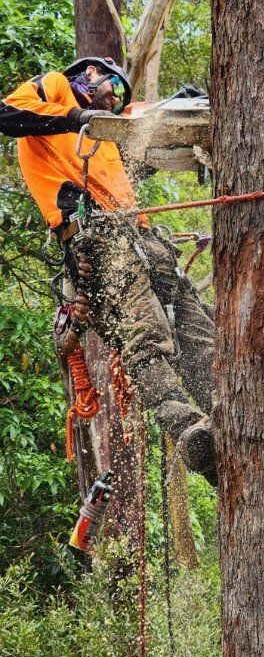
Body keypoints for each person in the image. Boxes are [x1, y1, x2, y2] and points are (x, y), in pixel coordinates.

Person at [0, 57, 217, 485]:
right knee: (145, 335)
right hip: (96, 237)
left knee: (197, 329)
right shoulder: (56, 88)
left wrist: (186, 108)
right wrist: (79, 117)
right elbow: (6, 113)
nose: (114, 99)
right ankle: (188, 427)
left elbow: (146, 133)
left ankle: (225, 409)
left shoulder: (111, 135)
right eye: (112, 87)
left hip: (143, 237)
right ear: (91, 74)